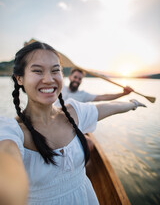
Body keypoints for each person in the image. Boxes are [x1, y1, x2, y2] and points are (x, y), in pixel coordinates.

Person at [0, 41, 146, 205]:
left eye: (56, 71)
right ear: (19, 79)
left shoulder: (75, 111)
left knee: (87, 143)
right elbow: (7, 162)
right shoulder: (11, 131)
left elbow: (108, 106)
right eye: (37, 71)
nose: (48, 79)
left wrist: (132, 103)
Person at [54, 68, 134, 106]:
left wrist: (123, 94)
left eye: (79, 79)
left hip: (69, 124)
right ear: (70, 77)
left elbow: (103, 97)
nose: (77, 80)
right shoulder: (60, 88)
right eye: (75, 77)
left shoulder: (83, 95)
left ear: (81, 81)